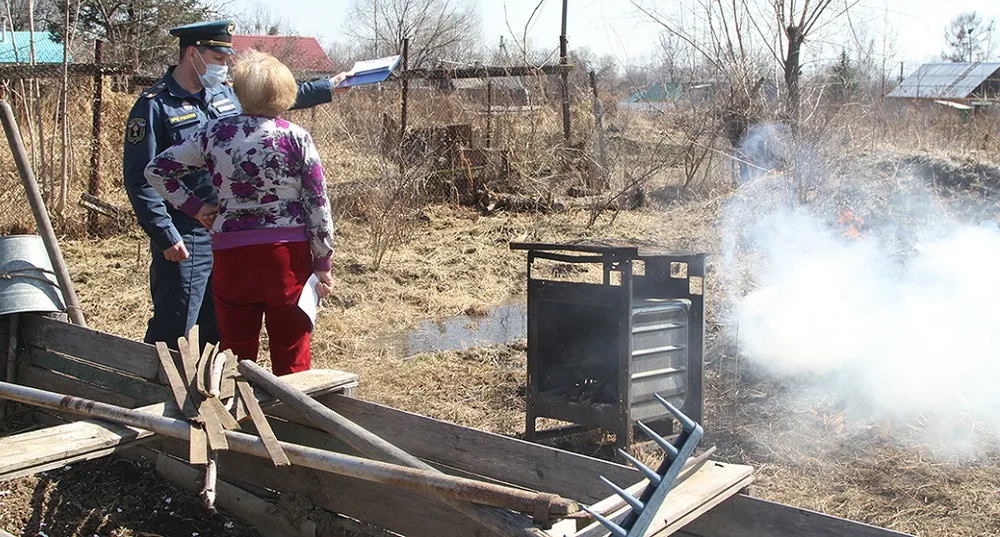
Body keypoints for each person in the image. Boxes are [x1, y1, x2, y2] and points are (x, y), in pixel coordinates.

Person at [123, 19, 349, 349]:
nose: (224, 65)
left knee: (219, 328)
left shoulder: (224, 93)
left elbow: (270, 98)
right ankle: (156, 393)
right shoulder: (155, 106)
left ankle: (213, 394)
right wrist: (165, 233)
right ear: (192, 54)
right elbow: (141, 177)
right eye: (218, 59)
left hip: (226, 231)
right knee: (177, 322)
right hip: (185, 232)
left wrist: (328, 87)